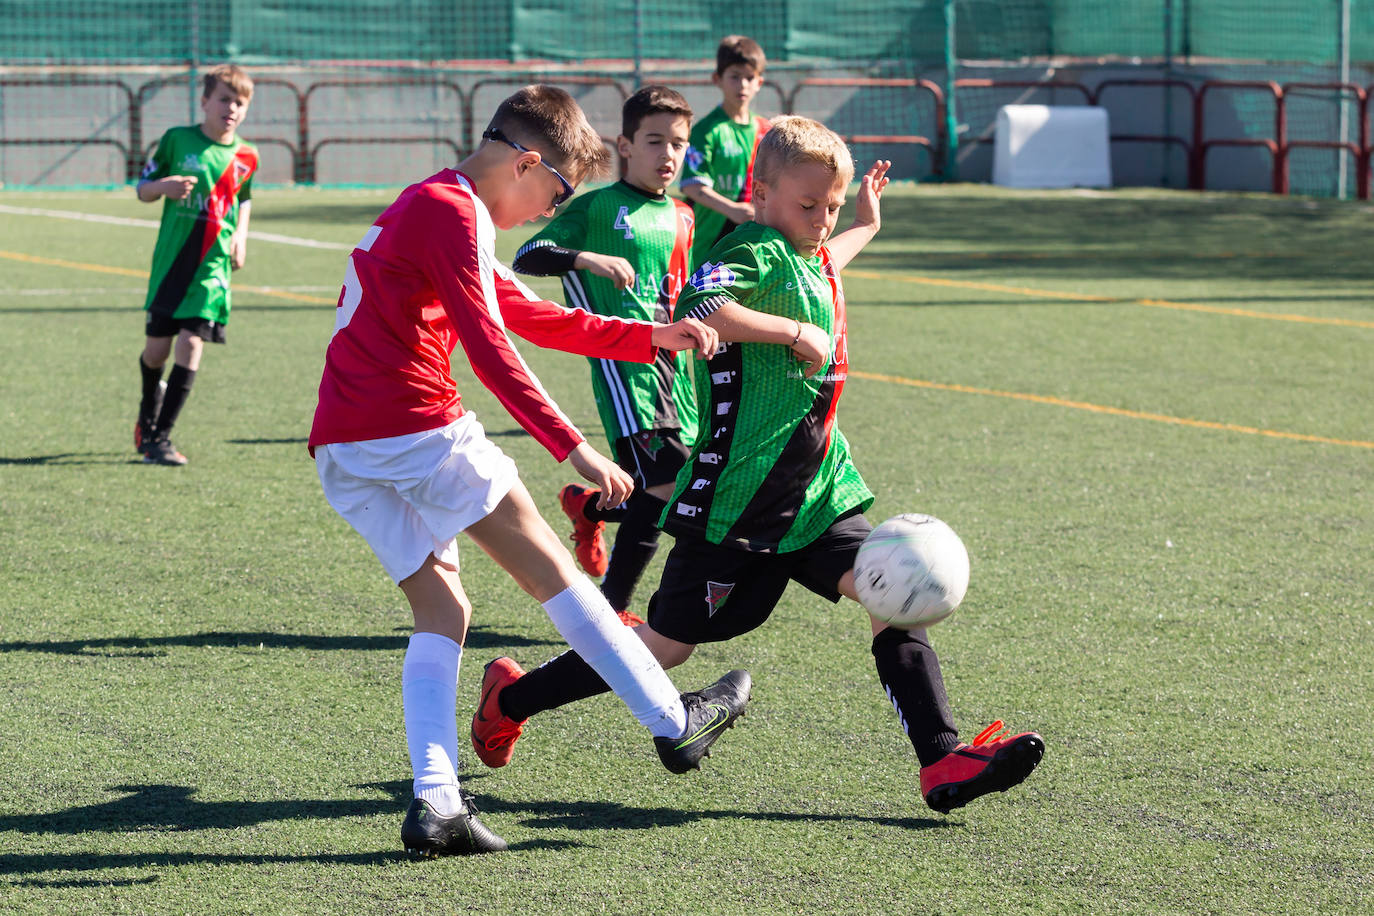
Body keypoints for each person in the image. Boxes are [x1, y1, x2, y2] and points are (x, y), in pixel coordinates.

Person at [472, 116, 1045, 815]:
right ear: (762, 190)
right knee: (667, 646)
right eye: (809, 206)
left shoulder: (812, 249)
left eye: (830, 207)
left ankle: (942, 760)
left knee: (891, 595)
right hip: (736, 504)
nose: (822, 221)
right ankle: (513, 697)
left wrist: (865, 221)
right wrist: (791, 330)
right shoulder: (758, 248)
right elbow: (702, 302)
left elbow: (833, 254)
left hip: (816, 494)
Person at [308, 85, 751, 858]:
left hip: (346, 446)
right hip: (414, 428)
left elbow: (534, 315)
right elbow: (489, 345)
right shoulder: (452, 213)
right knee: (561, 578)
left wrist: (654, 336)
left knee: (444, 613)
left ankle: (438, 804)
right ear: (526, 161)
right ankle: (674, 726)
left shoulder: (442, 205)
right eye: (557, 189)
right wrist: (571, 445)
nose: (553, 208)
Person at [511, 85, 696, 626]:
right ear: (626, 145)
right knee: (666, 485)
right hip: (625, 372)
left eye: (678, 144)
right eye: (655, 141)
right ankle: (608, 613)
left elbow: (683, 290)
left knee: (672, 490)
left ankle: (589, 507)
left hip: (676, 372)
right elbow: (528, 254)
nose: (667, 154)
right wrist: (586, 258)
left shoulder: (683, 216)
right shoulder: (597, 207)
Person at [133, 64, 258, 466]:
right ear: (205, 102)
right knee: (156, 353)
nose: (231, 109)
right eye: (224, 99)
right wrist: (164, 187)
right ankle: (146, 417)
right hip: (172, 264)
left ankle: (161, 439)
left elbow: (244, 199)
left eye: (240, 103)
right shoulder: (176, 140)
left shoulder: (247, 155)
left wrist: (240, 236)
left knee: (190, 343)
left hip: (212, 268)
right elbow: (143, 188)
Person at [679, 34, 771, 270]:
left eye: (750, 78)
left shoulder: (766, 130)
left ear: (759, 82)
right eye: (734, 77)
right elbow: (692, 185)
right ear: (717, 79)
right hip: (708, 239)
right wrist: (733, 210)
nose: (742, 85)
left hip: (752, 238)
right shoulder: (707, 130)